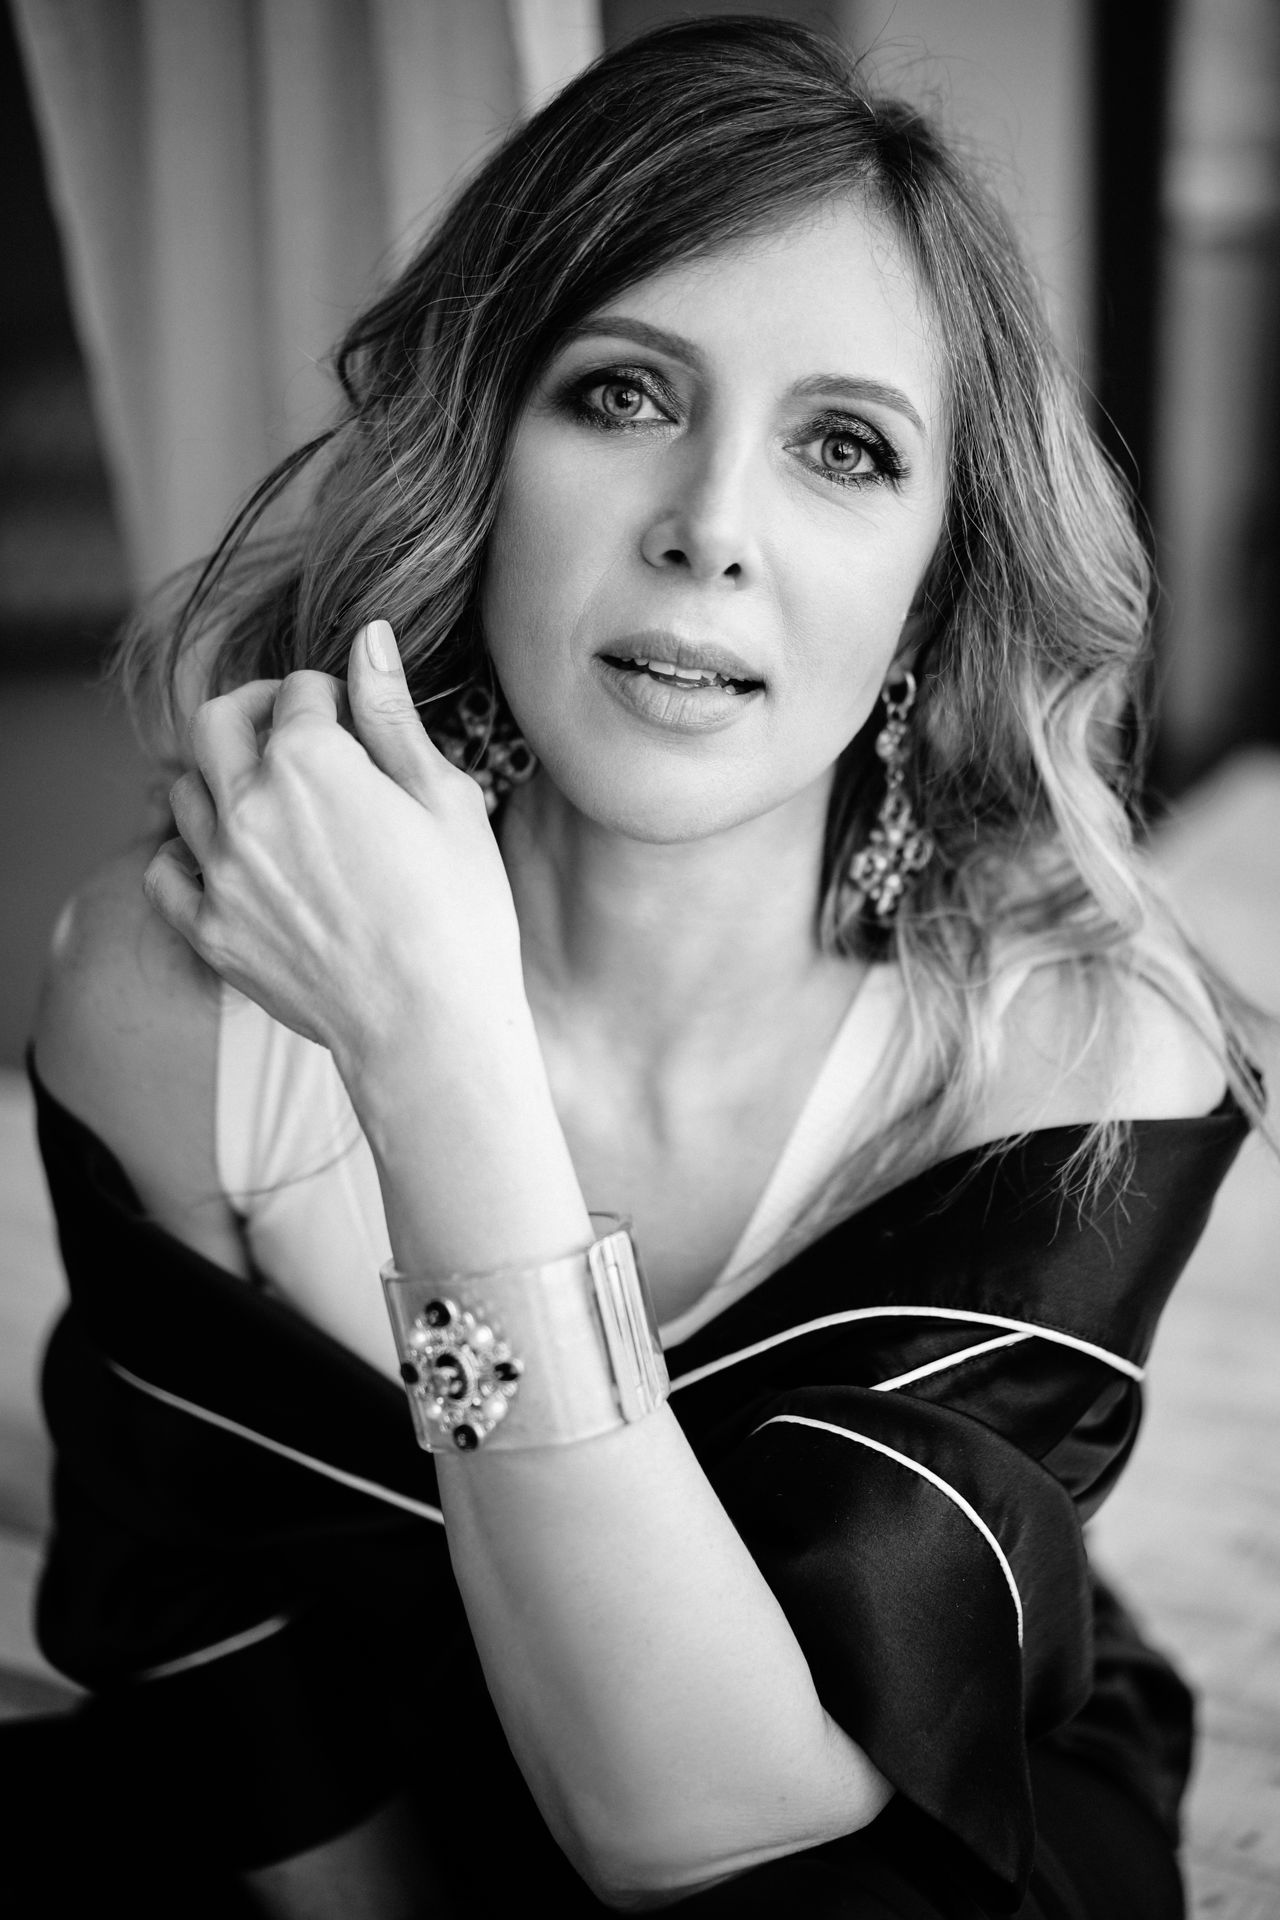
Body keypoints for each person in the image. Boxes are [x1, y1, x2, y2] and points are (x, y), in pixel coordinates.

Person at [21, 16, 1262, 1919]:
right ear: (478, 459)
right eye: (619, 395)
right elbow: (204, 1623)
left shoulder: (1080, 1064)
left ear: (933, 586)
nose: (709, 531)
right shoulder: (170, 989)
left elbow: (712, 1840)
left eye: (844, 448)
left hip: (862, 1808)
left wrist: (436, 1055)